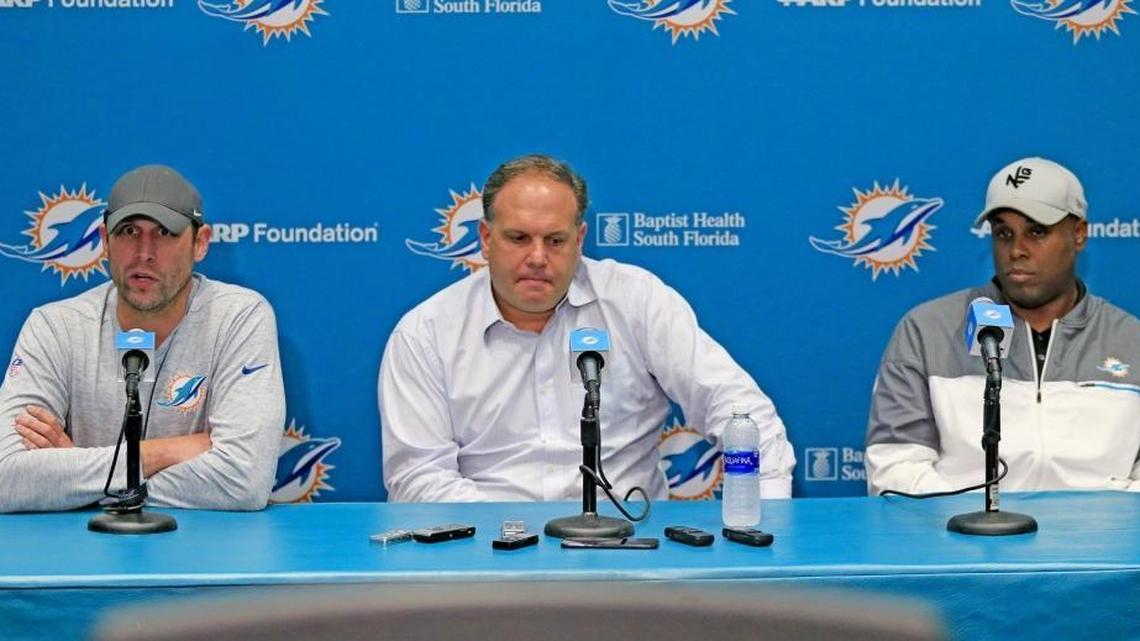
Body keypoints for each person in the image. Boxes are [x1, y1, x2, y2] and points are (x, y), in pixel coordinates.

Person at [379, 154, 795, 502]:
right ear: (486, 238)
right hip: (487, 560)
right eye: (519, 238)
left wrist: (765, 510)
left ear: (580, 239)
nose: (538, 257)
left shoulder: (635, 300)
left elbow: (738, 407)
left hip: (632, 555)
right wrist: (522, 534)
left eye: (555, 240)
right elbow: (417, 479)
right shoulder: (426, 333)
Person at [0, 164, 285, 512]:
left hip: (204, 554)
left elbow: (244, 480)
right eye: (129, 231)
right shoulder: (55, 326)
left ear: (201, 243)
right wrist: (160, 452)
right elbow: (6, 477)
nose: (144, 252)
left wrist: (74, 473)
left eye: (165, 232)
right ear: (105, 241)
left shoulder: (239, 317)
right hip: (85, 556)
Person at [865, 156, 1140, 495]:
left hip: (1101, 545)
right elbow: (894, 471)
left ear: (1079, 234)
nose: (1016, 250)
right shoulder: (927, 331)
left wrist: (1096, 529)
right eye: (1003, 233)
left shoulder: (1131, 340)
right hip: (967, 541)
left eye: (1037, 231)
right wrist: (975, 527)